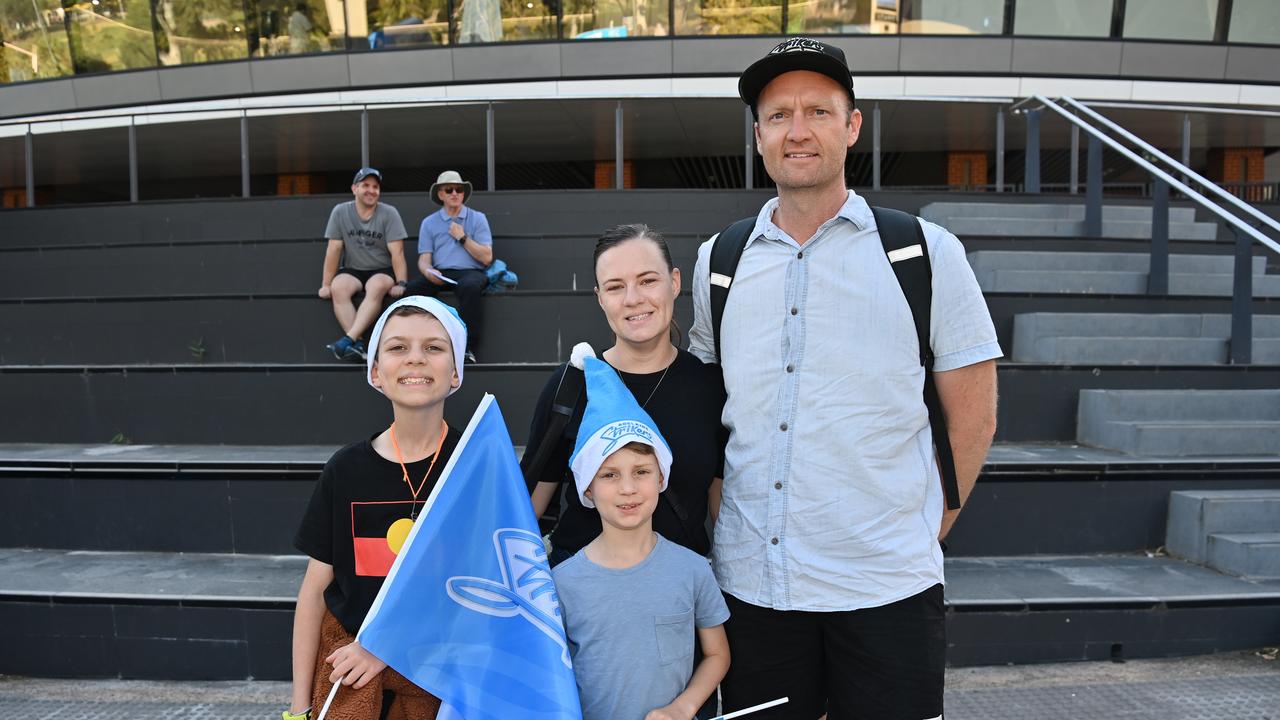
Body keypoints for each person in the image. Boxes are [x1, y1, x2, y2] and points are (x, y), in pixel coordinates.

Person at [687, 38, 1001, 720]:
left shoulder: (924, 253)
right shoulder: (721, 260)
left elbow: (974, 420)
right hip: (754, 592)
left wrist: (924, 531)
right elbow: (712, 416)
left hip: (887, 590)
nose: (798, 130)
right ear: (759, 135)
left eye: (818, 112)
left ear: (852, 126)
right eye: (779, 115)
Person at [288, 296, 468, 720]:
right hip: (354, 682)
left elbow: (483, 597)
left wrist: (388, 648)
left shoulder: (477, 465)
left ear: (456, 371)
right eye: (398, 347)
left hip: (444, 685)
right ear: (375, 371)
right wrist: (299, 709)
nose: (416, 360)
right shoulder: (345, 469)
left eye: (434, 348)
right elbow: (314, 594)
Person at [526, 224, 727, 566]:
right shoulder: (572, 384)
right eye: (615, 287)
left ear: (675, 282)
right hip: (579, 604)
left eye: (648, 280)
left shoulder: (711, 388)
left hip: (678, 601)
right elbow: (527, 509)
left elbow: (723, 513)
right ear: (600, 297)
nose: (633, 298)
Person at [552, 356, 730, 720]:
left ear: (661, 478)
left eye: (642, 471)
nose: (628, 489)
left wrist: (684, 708)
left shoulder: (693, 569)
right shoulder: (561, 583)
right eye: (609, 475)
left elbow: (717, 654)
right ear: (586, 488)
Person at [319, 167, 409, 362]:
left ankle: (347, 340)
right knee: (338, 287)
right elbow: (333, 249)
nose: (371, 190)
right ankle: (357, 343)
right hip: (353, 268)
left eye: (375, 187)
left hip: (382, 270)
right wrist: (326, 284)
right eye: (365, 185)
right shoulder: (340, 211)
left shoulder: (389, 213)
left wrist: (401, 282)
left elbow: (398, 252)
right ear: (354, 189)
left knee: (376, 286)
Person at [405, 170, 492, 363]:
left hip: (471, 272)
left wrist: (462, 237)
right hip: (441, 272)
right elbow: (424, 259)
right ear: (441, 194)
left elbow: (487, 258)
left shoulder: (477, 218)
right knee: (412, 289)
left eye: (459, 189)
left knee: (470, 287)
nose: (455, 193)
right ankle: (413, 344)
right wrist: (428, 271)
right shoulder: (429, 222)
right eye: (449, 189)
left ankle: (467, 348)